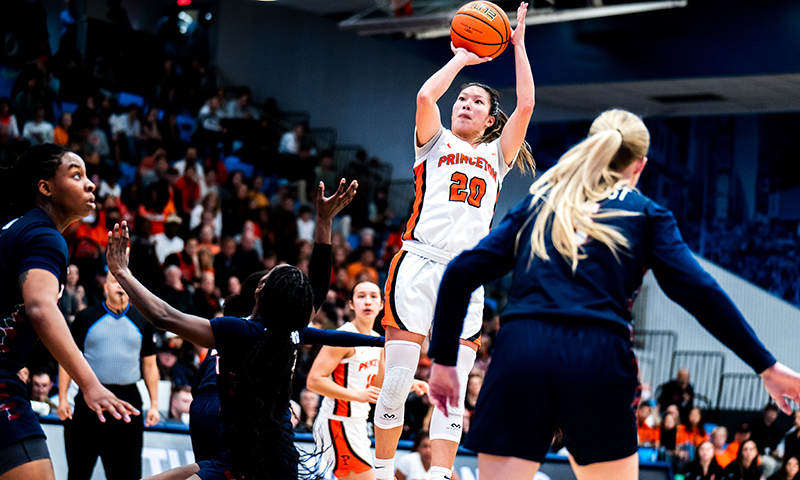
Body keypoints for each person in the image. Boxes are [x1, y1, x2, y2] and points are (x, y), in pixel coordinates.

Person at [424, 109, 800, 480]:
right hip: (598, 356)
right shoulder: (645, 214)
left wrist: (443, 362)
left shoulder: (540, 203)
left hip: (522, 352)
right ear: (640, 165)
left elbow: (460, 273)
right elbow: (700, 291)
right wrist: (765, 366)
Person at [107, 179, 381, 479]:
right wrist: (324, 221)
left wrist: (121, 272)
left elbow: (164, 316)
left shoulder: (241, 331)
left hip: (250, 458)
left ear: (261, 289)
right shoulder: (290, 330)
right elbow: (318, 286)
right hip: (260, 450)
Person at [374, 4, 536, 479]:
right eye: (462, 99)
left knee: (452, 386)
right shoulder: (435, 142)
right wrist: (463, 58)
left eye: (476, 102)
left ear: (490, 121)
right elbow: (427, 95)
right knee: (400, 378)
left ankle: (440, 476)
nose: (464, 104)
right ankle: (383, 473)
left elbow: (525, 106)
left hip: (466, 274)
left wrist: (520, 46)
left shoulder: (496, 156)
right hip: (418, 261)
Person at [0, 144, 138, 480]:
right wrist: (89, 384)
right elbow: (39, 307)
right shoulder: (44, 236)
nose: (91, 184)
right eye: (76, 175)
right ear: (45, 188)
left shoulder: (16, 227)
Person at [308, 281, 427, 480]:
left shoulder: (376, 339)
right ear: (352, 304)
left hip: (358, 425)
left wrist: (409, 384)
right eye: (361, 296)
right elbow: (314, 381)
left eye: (373, 296)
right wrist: (358, 395)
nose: (367, 301)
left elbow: (379, 385)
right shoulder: (343, 336)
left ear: (382, 305)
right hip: (336, 423)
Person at [57, 271, 161, 480]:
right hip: (90, 399)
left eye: (124, 283)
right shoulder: (86, 317)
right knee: (79, 470)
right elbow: (67, 360)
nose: (120, 287)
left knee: (127, 473)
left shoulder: (142, 322)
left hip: (128, 401)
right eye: (115, 282)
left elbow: (150, 366)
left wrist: (155, 404)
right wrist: (62, 399)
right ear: (105, 286)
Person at [394, 431, 461, 480]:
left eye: (432, 447)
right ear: (418, 448)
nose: (428, 450)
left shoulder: (443, 463)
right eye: (424, 446)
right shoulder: (407, 460)